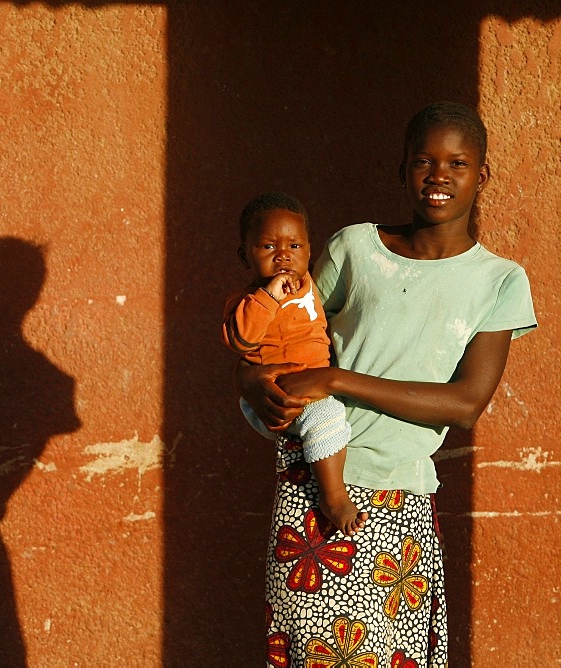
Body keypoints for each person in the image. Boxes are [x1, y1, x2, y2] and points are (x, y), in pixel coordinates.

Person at [238, 102, 537, 666]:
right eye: (423, 161)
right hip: (318, 491)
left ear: (483, 174)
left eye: (458, 163)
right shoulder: (356, 249)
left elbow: (467, 403)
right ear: (402, 170)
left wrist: (337, 378)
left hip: (404, 500)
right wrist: (249, 376)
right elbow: (279, 334)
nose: (439, 176)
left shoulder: (499, 282)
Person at [222, 192, 364, 537]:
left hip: (308, 392)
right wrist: (268, 296)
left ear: (309, 252)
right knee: (327, 416)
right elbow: (240, 340)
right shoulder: (247, 300)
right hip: (275, 397)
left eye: (295, 247)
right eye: (268, 248)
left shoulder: (310, 285)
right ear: (246, 256)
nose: (284, 255)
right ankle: (334, 498)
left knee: (329, 417)